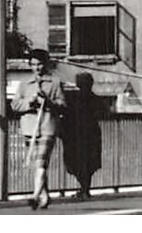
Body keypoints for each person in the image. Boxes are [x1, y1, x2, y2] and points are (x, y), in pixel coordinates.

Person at [15, 50, 67, 209]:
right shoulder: (24, 84)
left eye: (39, 64)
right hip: (29, 128)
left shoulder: (55, 82)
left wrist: (49, 102)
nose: (37, 68)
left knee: (41, 163)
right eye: (33, 64)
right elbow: (15, 105)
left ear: (45, 64)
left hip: (47, 127)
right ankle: (45, 195)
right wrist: (30, 102)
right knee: (36, 165)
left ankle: (35, 195)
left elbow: (63, 105)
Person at [62, 71, 104, 200]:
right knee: (88, 163)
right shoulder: (95, 98)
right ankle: (85, 189)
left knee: (75, 162)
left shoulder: (72, 98)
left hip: (74, 135)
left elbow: (65, 112)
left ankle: (83, 188)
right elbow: (102, 113)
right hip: (91, 134)